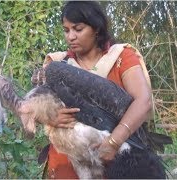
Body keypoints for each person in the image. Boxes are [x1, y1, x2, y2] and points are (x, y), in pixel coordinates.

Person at [41, 1, 153, 179]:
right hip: (67, 164)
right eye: (66, 30)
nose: (70, 37)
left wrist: (114, 142)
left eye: (78, 29)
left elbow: (143, 101)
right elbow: (36, 107)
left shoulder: (121, 57)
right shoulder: (56, 63)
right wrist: (48, 117)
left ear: (97, 29)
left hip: (117, 162)